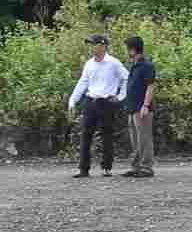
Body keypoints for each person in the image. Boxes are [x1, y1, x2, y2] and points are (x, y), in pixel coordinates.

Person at [67, 35, 129, 178]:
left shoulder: (113, 63)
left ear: (102, 46)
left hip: (106, 102)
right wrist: (73, 100)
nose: (91, 47)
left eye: (94, 44)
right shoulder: (89, 64)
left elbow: (127, 78)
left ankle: (106, 167)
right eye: (90, 44)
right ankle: (83, 169)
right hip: (91, 101)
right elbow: (82, 82)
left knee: (107, 135)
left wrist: (120, 97)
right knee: (85, 135)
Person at [120, 36, 157, 178]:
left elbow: (150, 87)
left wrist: (146, 105)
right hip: (132, 108)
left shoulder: (146, 65)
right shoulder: (134, 66)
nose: (126, 51)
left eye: (128, 48)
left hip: (142, 108)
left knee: (144, 138)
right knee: (135, 139)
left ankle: (146, 167)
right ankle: (136, 166)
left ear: (133, 49)